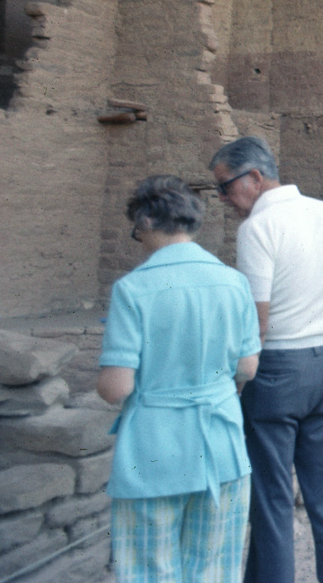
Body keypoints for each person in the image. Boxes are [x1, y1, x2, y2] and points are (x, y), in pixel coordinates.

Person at [209, 136, 323, 583]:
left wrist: (239, 378)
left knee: (272, 500)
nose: (223, 198)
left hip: (278, 368)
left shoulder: (258, 228)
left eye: (225, 187)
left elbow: (254, 322)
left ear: (255, 178)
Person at [97, 176, 260, 581]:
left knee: (150, 571)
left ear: (148, 221)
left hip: (154, 451)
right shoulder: (234, 281)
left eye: (137, 230)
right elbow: (248, 368)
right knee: (214, 570)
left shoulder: (133, 289)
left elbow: (118, 387)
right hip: (220, 447)